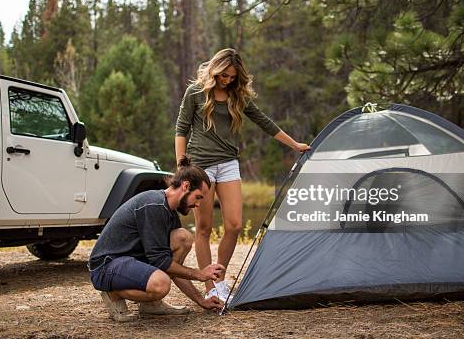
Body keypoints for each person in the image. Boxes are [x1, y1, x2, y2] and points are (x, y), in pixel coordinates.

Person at [175, 48, 311, 302]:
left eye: (232, 77)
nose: (227, 80)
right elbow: (181, 128)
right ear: (215, 70)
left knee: (235, 225)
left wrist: (294, 145)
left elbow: (264, 121)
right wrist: (181, 165)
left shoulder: (237, 96)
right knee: (203, 228)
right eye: (224, 75)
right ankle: (210, 288)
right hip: (200, 165)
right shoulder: (195, 92)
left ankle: (220, 280)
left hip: (228, 163)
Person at [88, 156, 224, 322]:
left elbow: (173, 268)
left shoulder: (170, 212)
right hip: (106, 265)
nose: (198, 205)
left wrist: (201, 301)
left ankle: (151, 304)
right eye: (198, 197)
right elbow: (160, 262)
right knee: (161, 284)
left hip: (130, 260)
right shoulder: (154, 205)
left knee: (183, 238)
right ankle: (113, 292)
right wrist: (199, 274)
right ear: (186, 186)